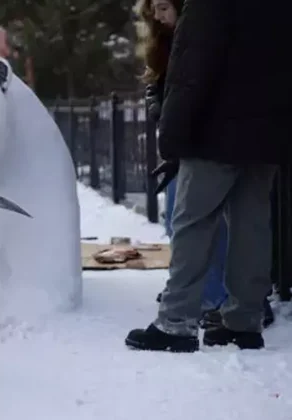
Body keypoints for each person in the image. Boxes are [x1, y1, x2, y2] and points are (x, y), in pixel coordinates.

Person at [125, 0, 291, 352]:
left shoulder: (209, 6)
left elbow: (191, 72)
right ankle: (243, 321)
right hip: (267, 134)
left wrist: (170, 135)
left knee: (192, 223)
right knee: (252, 225)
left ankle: (176, 322)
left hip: (215, 134)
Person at [136, 0, 230, 326]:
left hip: (198, 140)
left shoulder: (201, 35)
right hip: (178, 138)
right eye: (154, 10)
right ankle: (191, 289)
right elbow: (157, 84)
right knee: (179, 220)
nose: (158, 16)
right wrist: (158, 110)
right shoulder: (165, 41)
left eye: (163, 7)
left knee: (200, 222)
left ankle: (211, 294)